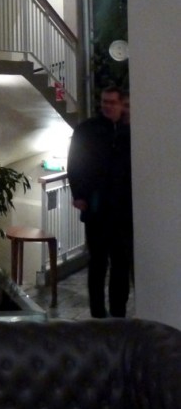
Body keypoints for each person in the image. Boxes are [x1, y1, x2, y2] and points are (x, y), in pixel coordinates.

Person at [67, 85, 132, 318]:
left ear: (121, 104)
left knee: (120, 263)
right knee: (98, 262)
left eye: (112, 102)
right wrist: (79, 195)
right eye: (104, 101)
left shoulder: (129, 131)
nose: (107, 106)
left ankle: (118, 312)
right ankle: (97, 312)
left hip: (123, 209)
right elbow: (74, 163)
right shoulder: (87, 130)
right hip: (97, 208)